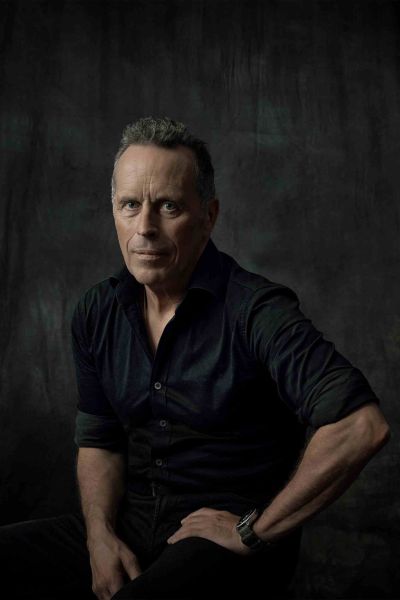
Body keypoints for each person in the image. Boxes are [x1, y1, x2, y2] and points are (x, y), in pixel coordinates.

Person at [0, 117, 390, 600]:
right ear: (114, 211)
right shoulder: (96, 312)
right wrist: (98, 536)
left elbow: (361, 426)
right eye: (130, 205)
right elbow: (100, 439)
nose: (145, 228)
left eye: (169, 206)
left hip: (222, 541)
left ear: (209, 216)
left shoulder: (256, 311)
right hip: (131, 526)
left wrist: (255, 532)